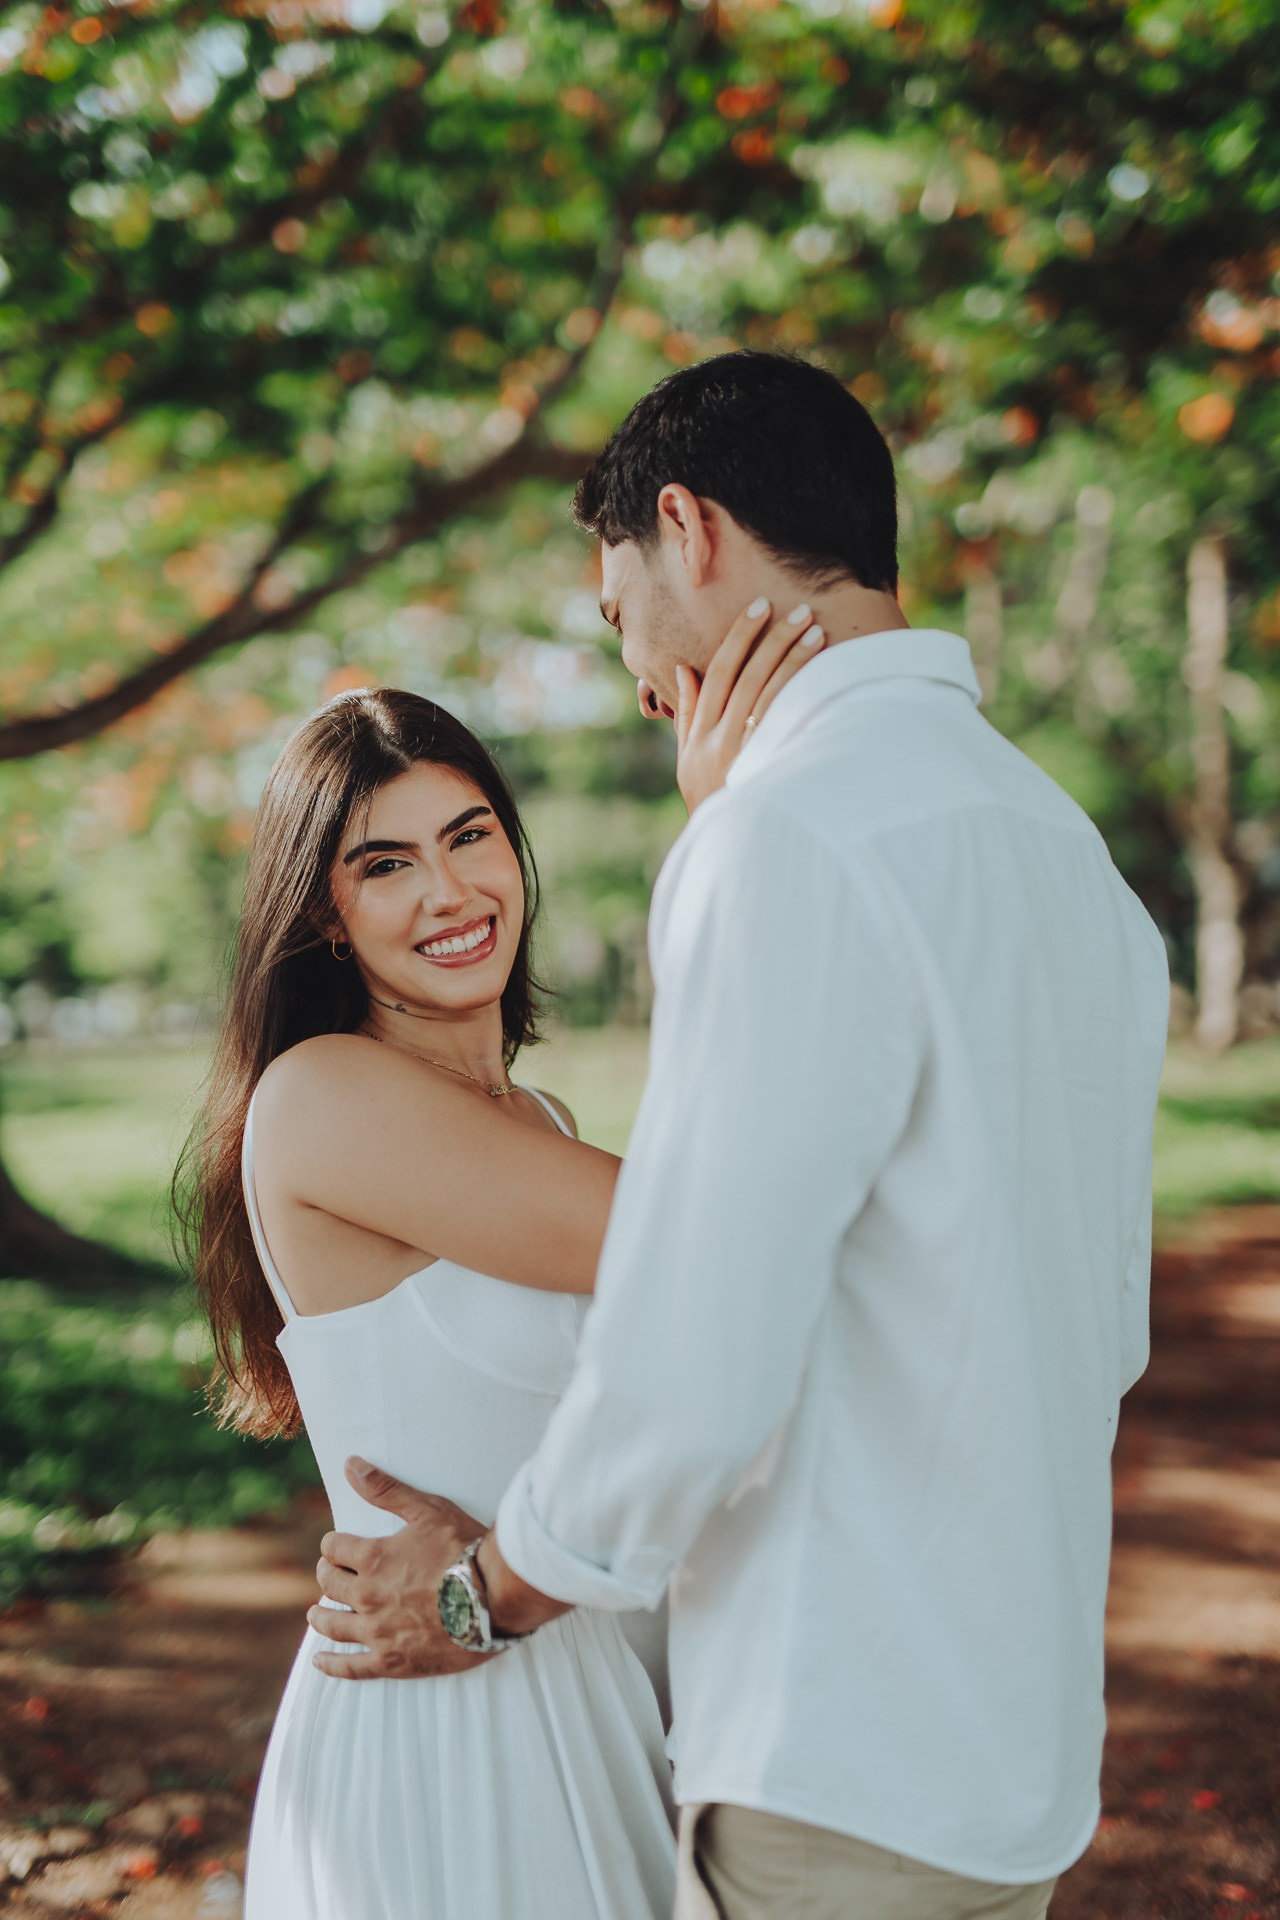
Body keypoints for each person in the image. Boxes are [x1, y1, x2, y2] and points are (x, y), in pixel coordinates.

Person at [311, 350, 1172, 1920]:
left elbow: (692, 1338)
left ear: (688, 530)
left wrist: (487, 1592)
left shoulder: (782, 836)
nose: (641, 678)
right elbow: (1103, 1330)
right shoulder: (1067, 851)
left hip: (836, 1745)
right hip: (1018, 1750)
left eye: (616, 613)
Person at [178, 619, 819, 1919]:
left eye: (469, 836)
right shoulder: (325, 1095)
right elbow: (713, 1237)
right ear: (326, 914)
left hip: (586, 1666)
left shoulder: (537, 1122)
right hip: (456, 1722)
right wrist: (732, 850)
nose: (450, 892)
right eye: (385, 865)